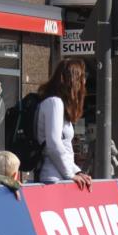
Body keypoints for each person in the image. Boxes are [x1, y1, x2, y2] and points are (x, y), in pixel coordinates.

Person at [36, 59, 92, 190]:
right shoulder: (54, 103)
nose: (84, 82)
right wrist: (70, 174)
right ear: (73, 80)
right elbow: (54, 144)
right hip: (53, 178)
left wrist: (77, 171)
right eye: (82, 77)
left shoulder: (58, 104)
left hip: (60, 176)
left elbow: (64, 147)